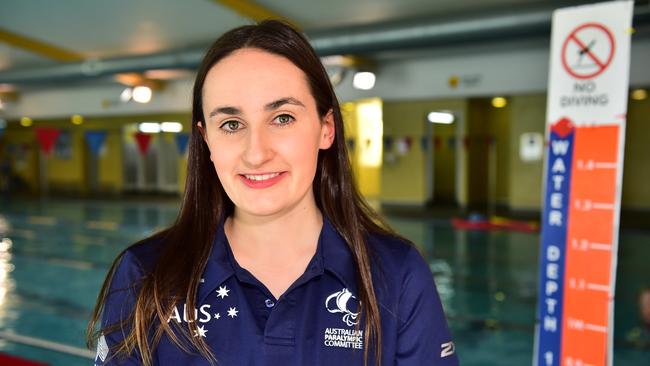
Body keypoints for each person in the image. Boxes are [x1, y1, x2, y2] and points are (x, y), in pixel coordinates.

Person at [87, 19, 458, 366]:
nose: (257, 152)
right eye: (232, 124)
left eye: (282, 118)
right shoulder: (146, 274)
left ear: (326, 128)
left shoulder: (394, 273)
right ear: (206, 142)